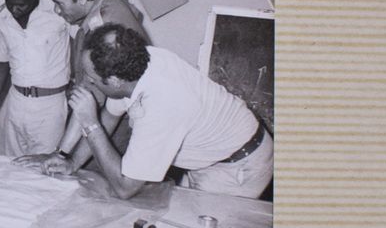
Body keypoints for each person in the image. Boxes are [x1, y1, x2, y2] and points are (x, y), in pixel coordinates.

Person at [40, 24, 273, 199]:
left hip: (238, 167)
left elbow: (125, 187)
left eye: (92, 78)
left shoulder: (163, 103)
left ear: (115, 81)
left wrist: (90, 123)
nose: (89, 83)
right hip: (213, 156)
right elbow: (110, 116)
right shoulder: (138, 62)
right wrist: (72, 163)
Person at [15, 0, 151, 169]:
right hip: (114, 108)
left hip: (119, 119)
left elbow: (88, 97)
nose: (57, 10)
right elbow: (137, 14)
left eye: (59, 3)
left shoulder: (103, 30)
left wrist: (61, 154)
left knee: (89, 177)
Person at [0, 0, 70, 156]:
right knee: (13, 164)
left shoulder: (58, 12)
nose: (14, 9)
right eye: (9, 2)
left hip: (49, 106)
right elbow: (2, 62)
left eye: (21, 4)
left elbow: (81, 42)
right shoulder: (2, 17)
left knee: (44, 167)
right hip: (16, 102)